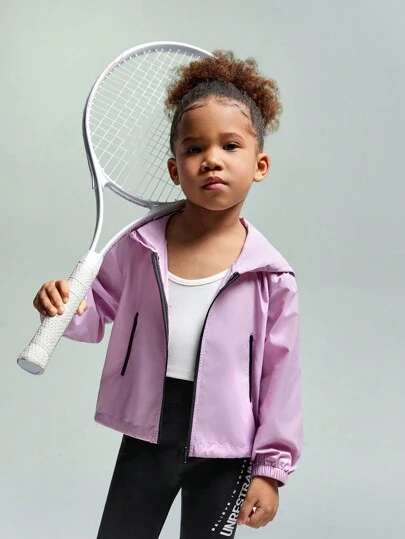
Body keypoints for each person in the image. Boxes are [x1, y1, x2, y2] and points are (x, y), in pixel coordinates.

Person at [33, 50, 302, 538]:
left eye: (230, 145)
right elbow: (94, 314)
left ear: (260, 164)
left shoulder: (271, 276)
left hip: (229, 446)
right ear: (175, 169)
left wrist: (270, 470)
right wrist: (62, 304)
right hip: (150, 427)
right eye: (195, 148)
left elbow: (279, 380)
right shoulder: (139, 247)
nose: (212, 159)